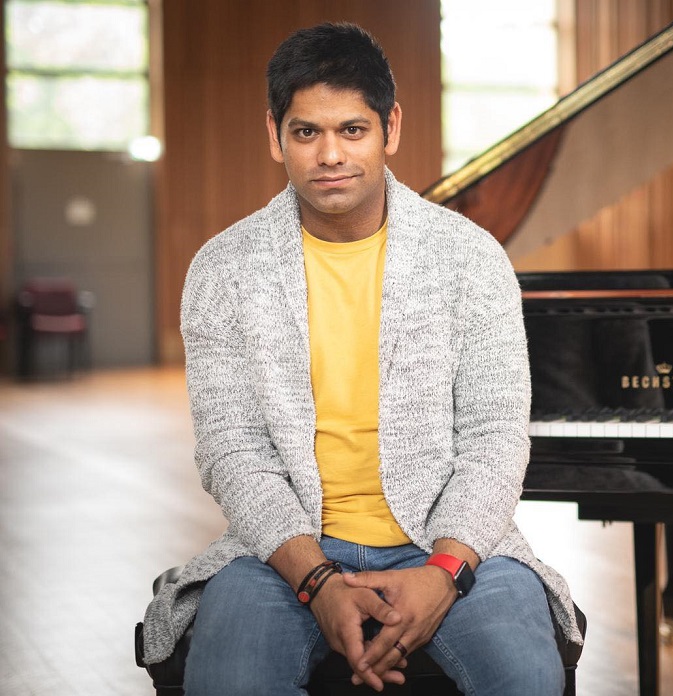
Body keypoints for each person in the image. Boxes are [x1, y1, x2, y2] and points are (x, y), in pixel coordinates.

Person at [139, 21, 582, 695]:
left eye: (352, 129)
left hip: (449, 542)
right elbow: (231, 450)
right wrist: (315, 579)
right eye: (305, 132)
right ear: (275, 135)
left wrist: (444, 571)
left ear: (390, 128)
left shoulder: (469, 258)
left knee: (524, 676)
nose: (329, 155)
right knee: (228, 680)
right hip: (282, 549)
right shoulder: (224, 269)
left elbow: (493, 440)